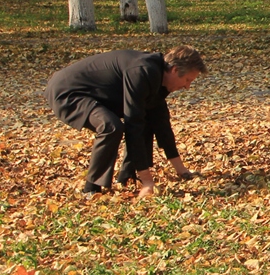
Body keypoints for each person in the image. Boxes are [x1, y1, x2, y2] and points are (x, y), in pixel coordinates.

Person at [45, 46, 207, 198]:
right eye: (187, 80)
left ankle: (126, 176)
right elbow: (133, 123)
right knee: (111, 126)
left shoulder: (159, 79)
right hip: (67, 91)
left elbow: (161, 124)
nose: (187, 87)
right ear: (174, 70)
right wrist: (147, 181)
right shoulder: (143, 71)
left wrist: (182, 170)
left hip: (98, 94)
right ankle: (91, 188)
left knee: (149, 118)